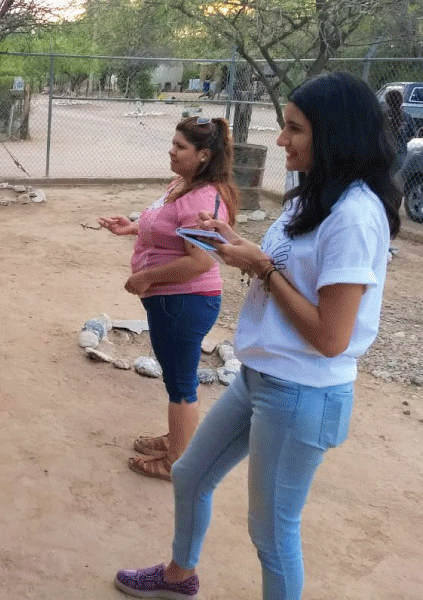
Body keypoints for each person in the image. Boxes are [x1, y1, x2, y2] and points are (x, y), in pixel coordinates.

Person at [114, 72, 401, 600]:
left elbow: (331, 337)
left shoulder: (354, 216)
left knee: (271, 533)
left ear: (334, 135)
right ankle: (180, 576)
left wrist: (262, 269)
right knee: (192, 473)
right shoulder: (312, 195)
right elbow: (288, 268)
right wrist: (235, 244)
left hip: (302, 394)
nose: (280, 140)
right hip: (261, 378)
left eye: (294, 129)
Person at [99, 116, 238, 481]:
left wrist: (147, 277)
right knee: (176, 378)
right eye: (173, 143)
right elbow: (168, 229)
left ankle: (176, 461)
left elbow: (201, 259)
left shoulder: (202, 199)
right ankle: (177, 439)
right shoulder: (182, 184)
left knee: (181, 385)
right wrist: (132, 228)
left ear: (204, 155)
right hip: (171, 303)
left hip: (185, 303)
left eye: (180, 147)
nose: (171, 151)